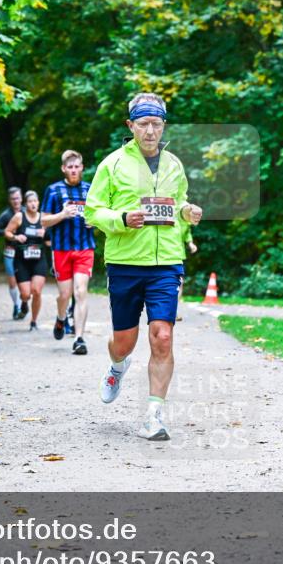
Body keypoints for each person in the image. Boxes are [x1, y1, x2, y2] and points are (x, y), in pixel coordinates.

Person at [84, 92, 203, 441]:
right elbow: (93, 211)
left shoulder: (174, 165)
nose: (150, 130)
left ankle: (154, 415)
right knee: (123, 342)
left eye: (156, 123)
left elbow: (178, 204)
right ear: (130, 126)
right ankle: (118, 366)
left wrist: (187, 212)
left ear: (163, 125)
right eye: (143, 124)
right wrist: (121, 217)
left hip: (166, 262)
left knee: (162, 336)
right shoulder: (113, 164)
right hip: (125, 263)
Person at [41, 149, 94, 355]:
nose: (73, 170)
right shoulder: (53, 190)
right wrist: (62, 214)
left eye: (76, 166)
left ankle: (79, 338)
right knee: (64, 294)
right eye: (69, 167)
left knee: (80, 292)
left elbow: (99, 215)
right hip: (61, 249)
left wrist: (94, 222)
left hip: (84, 247)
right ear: (64, 169)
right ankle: (61, 318)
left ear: (82, 167)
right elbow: (43, 220)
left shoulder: (90, 189)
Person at [4, 190, 48, 330]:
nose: (33, 204)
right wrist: (16, 237)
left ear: (38, 202)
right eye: (30, 202)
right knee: (25, 293)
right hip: (21, 260)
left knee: (37, 291)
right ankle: (23, 303)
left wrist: (46, 234)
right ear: (25, 204)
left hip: (39, 260)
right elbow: (7, 232)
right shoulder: (19, 217)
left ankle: (34, 322)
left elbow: (50, 240)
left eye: (35, 201)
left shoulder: (44, 218)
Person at [0, 188, 25, 318]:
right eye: (13, 199)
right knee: (12, 281)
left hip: (26, 251)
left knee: (25, 281)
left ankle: (24, 302)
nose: (16, 201)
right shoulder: (6, 215)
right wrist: (9, 233)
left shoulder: (27, 212)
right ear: (10, 200)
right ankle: (16, 306)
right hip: (10, 251)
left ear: (21, 198)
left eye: (17, 198)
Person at [175, 225, 197, 321]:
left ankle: (173, 311)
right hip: (163, 256)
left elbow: (186, 232)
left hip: (178, 257)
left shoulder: (186, 221)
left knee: (179, 284)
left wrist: (190, 243)